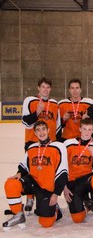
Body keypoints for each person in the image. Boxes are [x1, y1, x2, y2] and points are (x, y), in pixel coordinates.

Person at [3, 121, 68, 230]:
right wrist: (19, 173)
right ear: (35, 133)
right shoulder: (32, 147)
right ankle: (18, 214)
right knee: (11, 184)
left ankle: (56, 210)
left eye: (43, 129)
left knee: (46, 222)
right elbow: (24, 166)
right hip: (33, 182)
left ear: (48, 130)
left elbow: (63, 172)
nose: (41, 132)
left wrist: (56, 193)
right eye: (38, 130)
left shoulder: (59, 146)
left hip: (47, 188)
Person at [21, 77, 61, 214]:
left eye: (48, 87)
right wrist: (36, 113)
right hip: (33, 142)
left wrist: (57, 144)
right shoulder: (30, 100)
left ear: (51, 89)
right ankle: (30, 198)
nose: (45, 89)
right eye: (43, 87)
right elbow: (26, 123)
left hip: (50, 144)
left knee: (48, 173)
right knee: (32, 172)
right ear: (38, 88)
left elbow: (57, 126)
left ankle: (48, 198)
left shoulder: (55, 104)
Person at [63, 118, 93, 227]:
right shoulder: (68, 144)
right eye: (84, 129)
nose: (87, 132)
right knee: (77, 218)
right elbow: (61, 168)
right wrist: (64, 187)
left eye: (89, 129)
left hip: (88, 180)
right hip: (72, 183)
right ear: (80, 129)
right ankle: (89, 205)